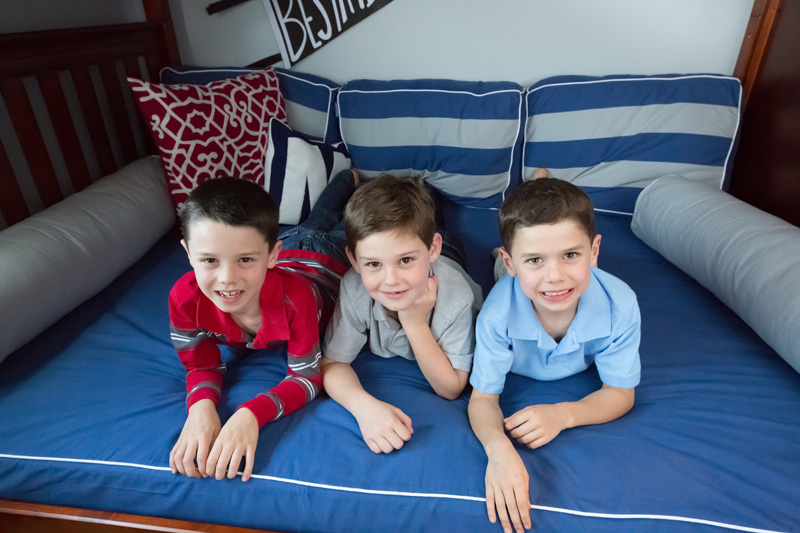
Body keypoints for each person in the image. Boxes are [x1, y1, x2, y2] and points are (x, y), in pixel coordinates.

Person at [468, 176, 641, 533]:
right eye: (535, 259)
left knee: (540, 284)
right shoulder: (496, 315)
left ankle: (540, 184)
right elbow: (482, 399)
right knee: (503, 280)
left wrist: (564, 415)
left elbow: (621, 393)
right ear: (513, 260)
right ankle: (531, 197)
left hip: (527, 282)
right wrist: (499, 450)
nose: (556, 276)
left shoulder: (620, 305)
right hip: (511, 286)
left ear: (594, 251)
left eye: (571, 255)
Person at [168, 172, 351, 482]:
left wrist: (251, 414)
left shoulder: (297, 300)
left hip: (326, 259)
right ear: (188, 253)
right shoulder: (184, 299)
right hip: (289, 247)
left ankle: (351, 177)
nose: (227, 278)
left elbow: (307, 377)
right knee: (313, 221)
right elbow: (200, 365)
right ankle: (348, 176)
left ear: (270, 256)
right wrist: (200, 409)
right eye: (210, 260)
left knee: (350, 220)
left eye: (244, 261)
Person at [321, 175, 483, 455]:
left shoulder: (458, 298)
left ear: (433, 249)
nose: (391, 280)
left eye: (405, 260)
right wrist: (364, 408)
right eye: (373, 264)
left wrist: (414, 321)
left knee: (431, 215)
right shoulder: (354, 287)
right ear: (354, 261)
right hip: (422, 263)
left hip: (449, 259)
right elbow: (333, 363)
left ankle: (422, 185)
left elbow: (451, 388)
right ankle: (411, 189)